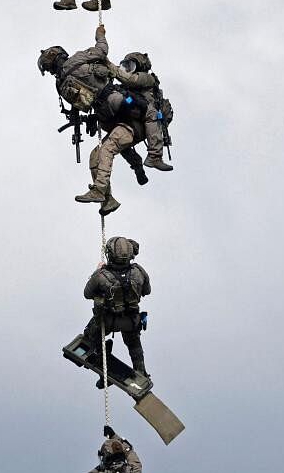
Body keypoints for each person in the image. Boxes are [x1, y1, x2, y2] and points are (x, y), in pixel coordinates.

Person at [39, 26, 149, 214]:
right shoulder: (63, 81)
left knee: (109, 146)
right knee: (96, 156)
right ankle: (108, 199)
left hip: (123, 110)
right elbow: (82, 101)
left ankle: (101, 189)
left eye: (49, 68)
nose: (51, 72)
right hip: (111, 116)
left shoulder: (71, 67)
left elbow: (102, 51)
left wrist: (101, 35)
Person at [82, 237, 151, 378]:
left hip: (108, 321)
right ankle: (140, 370)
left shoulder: (101, 276)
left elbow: (87, 294)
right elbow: (147, 291)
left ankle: (102, 357)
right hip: (131, 321)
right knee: (134, 345)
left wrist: (97, 271)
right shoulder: (139, 272)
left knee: (90, 335)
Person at [109, 52, 172, 171]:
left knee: (152, 115)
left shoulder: (146, 78)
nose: (127, 69)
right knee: (118, 141)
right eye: (125, 66)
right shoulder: (127, 86)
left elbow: (130, 80)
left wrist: (109, 66)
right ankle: (137, 165)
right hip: (134, 111)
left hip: (146, 112)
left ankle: (154, 156)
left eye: (130, 66)